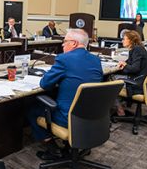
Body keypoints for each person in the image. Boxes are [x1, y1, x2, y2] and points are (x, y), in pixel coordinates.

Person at [27, 29, 103, 157]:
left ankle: (53, 149)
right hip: (92, 114)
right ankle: (71, 144)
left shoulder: (64, 59)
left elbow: (44, 84)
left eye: (65, 41)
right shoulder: (96, 60)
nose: (62, 45)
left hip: (68, 117)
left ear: (73, 43)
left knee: (31, 109)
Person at [112, 30, 147, 116]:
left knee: (110, 82)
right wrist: (124, 64)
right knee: (113, 76)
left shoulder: (137, 50)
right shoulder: (135, 49)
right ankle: (122, 103)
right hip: (141, 79)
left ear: (131, 40)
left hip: (137, 83)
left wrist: (125, 65)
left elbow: (134, 68)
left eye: (124, 39)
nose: (122, 41)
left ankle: (119, 109)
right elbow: (130, 63)